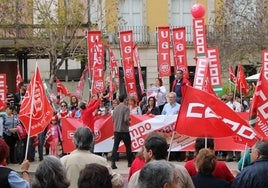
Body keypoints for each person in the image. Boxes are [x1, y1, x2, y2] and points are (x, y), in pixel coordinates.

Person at [128, 133, 194, 188]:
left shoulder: (137, 176)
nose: (143, 152)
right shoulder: (181, 171)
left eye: (144, 149)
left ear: (150, 153)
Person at [111, 94, 133, 169]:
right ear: (124, 99)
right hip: (124, 130)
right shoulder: (126, 108)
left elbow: (113, 120)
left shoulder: (115, 109)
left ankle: (113, 162)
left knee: (115, 147)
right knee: (128, 147)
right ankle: (130, 162)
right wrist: (129, 123)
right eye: (126, 99)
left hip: (116, 130)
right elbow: (126, 119)